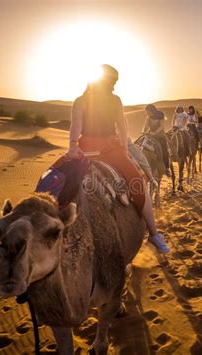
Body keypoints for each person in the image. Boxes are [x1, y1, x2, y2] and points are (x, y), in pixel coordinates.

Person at [68, 64, 169, 253]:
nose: (111, 85)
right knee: (138, 183)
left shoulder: (83, 100)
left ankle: (154, 233)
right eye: (111, 82)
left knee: (56, 176)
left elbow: (76, 126)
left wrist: (73, 146)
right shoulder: (110, 100)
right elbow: (121, 128)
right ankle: (154, 235)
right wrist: (123, 148)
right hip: (105, 149)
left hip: (89, 149)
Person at [142, 104, 171, 176]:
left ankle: (167, 168)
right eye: (147, 112)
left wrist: (154, 133)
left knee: (164, 150)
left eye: (148, 111)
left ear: (152, 111)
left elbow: (161, 126)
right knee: (140, 145)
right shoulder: (148, 118)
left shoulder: (160, 116)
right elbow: (145, 127)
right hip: (150, 136)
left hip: (160, 136)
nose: (147, 113)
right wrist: (144, 131)